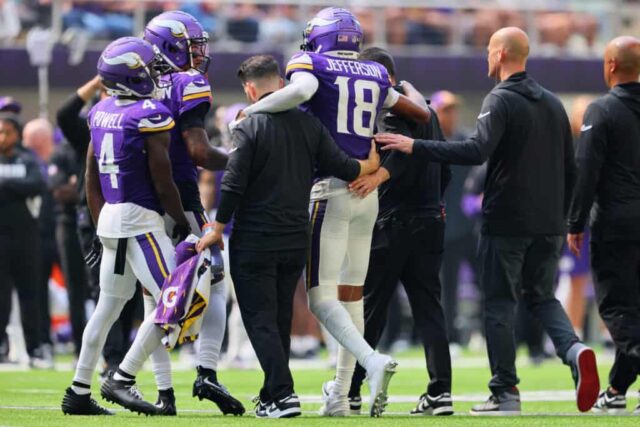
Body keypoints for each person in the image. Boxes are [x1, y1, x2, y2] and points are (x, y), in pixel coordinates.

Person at [375, 27, 600, 415]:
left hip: (507, 220)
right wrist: (570, 221)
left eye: (488, 53)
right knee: (542, 296)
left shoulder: (500, 99)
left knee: (497, 303)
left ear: (498, 55)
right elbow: (571, 168)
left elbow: (477, 150)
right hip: (549, 223)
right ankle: (573, 349)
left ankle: (504, 391)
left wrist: (416, 145)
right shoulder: (551, 103)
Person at [234, 7, 430, 417]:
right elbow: (421, 113)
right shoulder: (375, 73)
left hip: (330, 189)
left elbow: (302, 92)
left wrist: (251, 111)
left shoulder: (311, 63)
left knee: (322, 298)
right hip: (366, 195)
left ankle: (371, 362)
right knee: (351, 295)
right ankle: (341, 394)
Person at [196, 54, 380, 418]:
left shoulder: (248, 125)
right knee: (279, 317)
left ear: (250, 90)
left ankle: (282, 394)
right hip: (296, 234)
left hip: (255, 235)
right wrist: (371, 166)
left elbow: (232, 183)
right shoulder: (309, 125)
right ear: (281, 83)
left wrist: (217, 226)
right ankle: (271, 394)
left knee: (259, 318)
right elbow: (343, 166)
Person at [61, 37, 190, 416]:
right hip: (140, 220)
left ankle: (79, 390)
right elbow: (163, 180)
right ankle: (122, 377)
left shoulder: (100, 111)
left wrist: (100, 221)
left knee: (108, 307)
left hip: (112, 217)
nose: (153, 73)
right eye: (147, 69)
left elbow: (90, 174)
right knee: (174, 300)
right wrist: (183, 222)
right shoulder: (148, 114)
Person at [143, 11, 242, 415]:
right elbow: (200, 151)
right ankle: (206, 373)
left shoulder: (135, 85)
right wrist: (241, 160)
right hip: (180, 193)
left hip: (140, 195)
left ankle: (164, 392)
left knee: (153, 293)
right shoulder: (188, 82)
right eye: (193, 45)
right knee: (214, 280)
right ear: (169, 45)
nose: (200, 54)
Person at [345, 47, 453, 416]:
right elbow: (445, 168)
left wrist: (377, 177)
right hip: (430, 219)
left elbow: (401, 154)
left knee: (372, 308)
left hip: (394, 222)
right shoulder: (428, 110)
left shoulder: (391, 110)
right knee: (429, 310)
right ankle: (440, 393)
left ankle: (354, 389)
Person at [568, 36, 640, 415]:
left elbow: (587, 173)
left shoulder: (601, 110)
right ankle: (615, 391)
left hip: (617, 224)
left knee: (618, 310)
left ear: (610, 65)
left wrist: (575, 222)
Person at [56, 75, 144, 377]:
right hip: (99, 219)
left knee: (130, 292)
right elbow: (64, 115)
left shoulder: (138, 119)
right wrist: (97, 81)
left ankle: (118, 360)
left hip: (133, 215)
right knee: (106, 292)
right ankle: (110, 361)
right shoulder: (95, 127)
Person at [0, 113, 45, 366]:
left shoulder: (27, 159)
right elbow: (24, 186)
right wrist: (15, 186)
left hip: (25, 237)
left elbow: (36, 184)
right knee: (1, 296)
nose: (2, 137)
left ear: (17, 134)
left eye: (6, 132)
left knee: (30, 294)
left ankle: (35, 348)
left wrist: (5, 185)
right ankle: (2, 348)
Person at [22, 118, 57, 369]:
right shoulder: (25, 162)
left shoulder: (56, 160)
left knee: (85, 290)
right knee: (37, 291)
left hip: (63, 231)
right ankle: (43, 341)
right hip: (38, 234)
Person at [562, 96, 595, 336]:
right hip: (575, 221)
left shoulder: (602, 141)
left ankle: (609, 337)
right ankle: (574, 332)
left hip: (602, 219)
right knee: (576, 279)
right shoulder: (567, 146)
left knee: (608, 279)